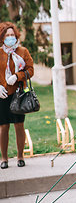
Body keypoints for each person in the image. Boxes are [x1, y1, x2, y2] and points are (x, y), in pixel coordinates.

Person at [0, 22, 34, 169]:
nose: (10, 38)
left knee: (19, 125)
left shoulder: (22, 51)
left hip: (18, 94)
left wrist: (18, 76)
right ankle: (4, 158)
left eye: (12, 35)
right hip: (2, 95)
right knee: (3, 127)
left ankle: (20, 156)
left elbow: (30, 70)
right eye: (7, 35)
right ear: (2, 38)